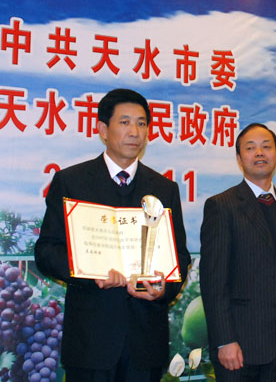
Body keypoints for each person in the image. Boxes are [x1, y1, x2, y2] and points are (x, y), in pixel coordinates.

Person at [34, 88, 191, 382]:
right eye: (125, 122)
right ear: (103, 130)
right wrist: (90, 271)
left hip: (145, 342)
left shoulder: (164, 188)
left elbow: (179, 257)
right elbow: (46, 252)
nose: (135, 132)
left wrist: (163, 289)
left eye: (142, 123)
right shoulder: (71, 182)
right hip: (91, 341)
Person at [199, 123, 276, 381]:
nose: (259, 153)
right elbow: (213, 282)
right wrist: (224, 340)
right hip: (242, 344)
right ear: (239, 157)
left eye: (266, 147)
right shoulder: (222, 206)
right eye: (250, 148)